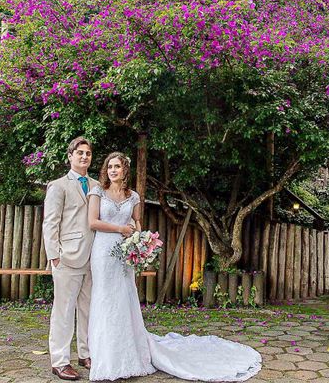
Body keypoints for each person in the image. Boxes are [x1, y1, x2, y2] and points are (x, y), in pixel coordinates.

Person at [87, 151, 262, 382]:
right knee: (105, 299)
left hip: (125, 254)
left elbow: (137, 222)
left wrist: (139, 240)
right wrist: (121, 230)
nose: (112, 170)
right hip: (103, 252)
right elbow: (92, 222)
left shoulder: (134, 196)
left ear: (125, 170)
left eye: (117, 166)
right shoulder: (98, 191)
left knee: (124, 298)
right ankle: (105, 356)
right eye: (110, 167)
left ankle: (128, 353)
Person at [43, 137, 98, 381]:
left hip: (94, 257)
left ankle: (85, 354)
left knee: (88, 309)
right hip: (67, 257)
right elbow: (50, 222)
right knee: (63, 311)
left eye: (87, 153)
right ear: (70, 156)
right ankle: (60, 360)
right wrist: (54, 255)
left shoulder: (98, 185)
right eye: (79, 153)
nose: (84, 157)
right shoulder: (58, 185)